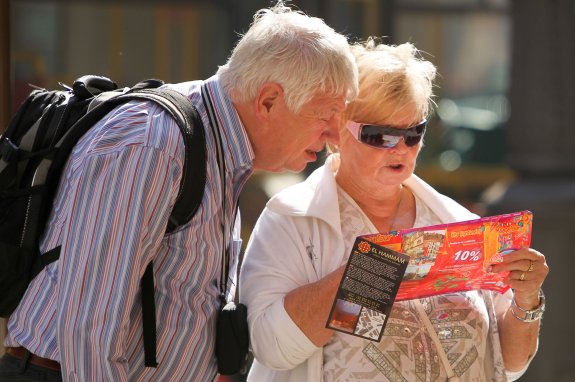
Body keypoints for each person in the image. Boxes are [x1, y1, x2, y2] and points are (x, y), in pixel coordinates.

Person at [0, 2, 359, 381]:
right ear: (268, 101)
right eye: (325, 116)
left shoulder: (221, 148)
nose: (335, 137)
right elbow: (89, 329)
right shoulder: (154, 144)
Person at [240, 38, 549, 381]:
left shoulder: (457, 222)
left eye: (413, 133)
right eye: (379, 136)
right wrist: (363, 276)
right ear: (336, 132)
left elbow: (508, 363)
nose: (400, 149)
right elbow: (272, 347)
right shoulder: (292, 218)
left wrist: (526, 300)